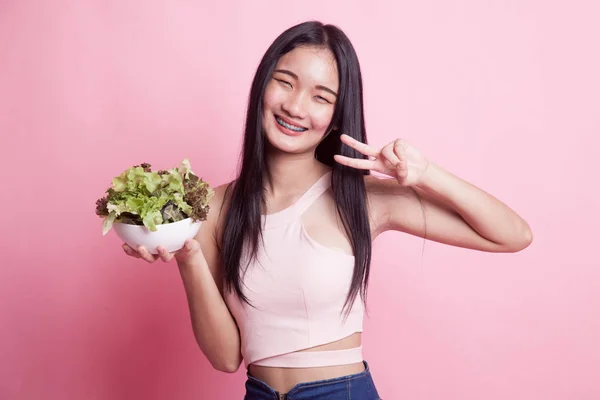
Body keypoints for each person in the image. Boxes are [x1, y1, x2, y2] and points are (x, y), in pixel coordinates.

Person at [122, 20, 533, 400]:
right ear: (262, 86)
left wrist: (426, 174)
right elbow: (226, 358)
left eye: (321, 97)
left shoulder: (363, 198)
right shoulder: (213, 207)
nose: (296, 107)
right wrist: (185, 253)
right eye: (285, 82)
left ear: (337, 116)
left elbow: (513, 234)